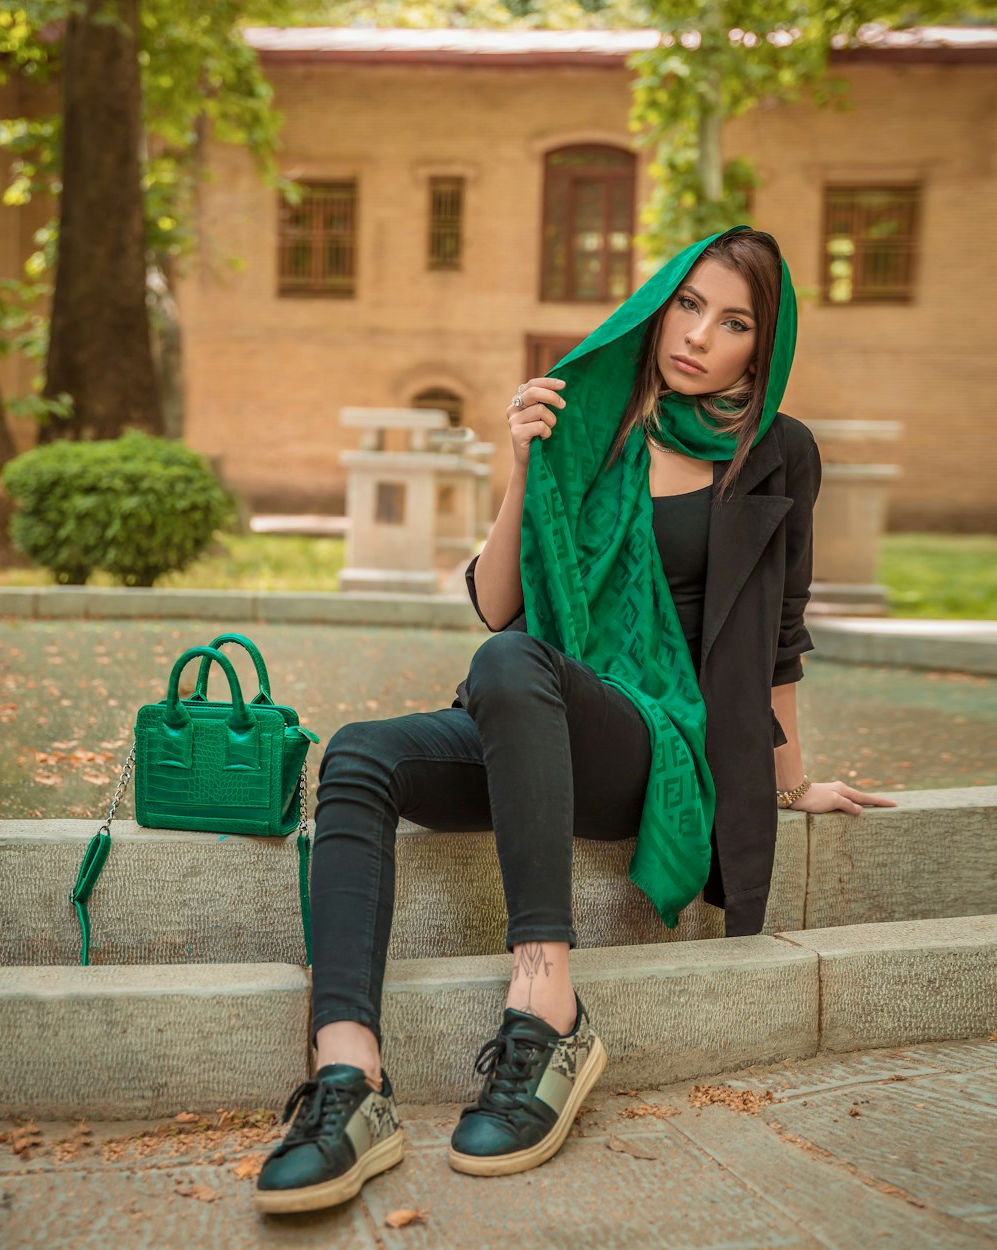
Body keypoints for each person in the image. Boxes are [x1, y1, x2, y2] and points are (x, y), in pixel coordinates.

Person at [253, 225, 897, 1215]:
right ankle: (349, 1078)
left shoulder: (776, 454)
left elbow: (779, 638)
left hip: (656, 743)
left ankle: (545, 1002)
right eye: (687, 305)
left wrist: (789, 777)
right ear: (654, 305)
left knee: (512, 669)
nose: (697, 336)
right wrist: (523, 460)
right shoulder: (596, 427)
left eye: (732, 323)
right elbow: (496, 602)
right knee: (360, 755)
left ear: (757, 351)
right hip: (537, 706)